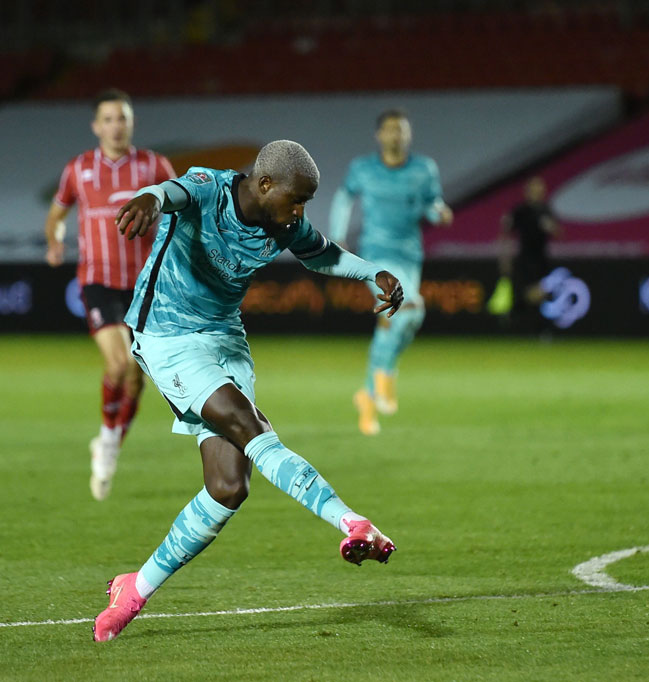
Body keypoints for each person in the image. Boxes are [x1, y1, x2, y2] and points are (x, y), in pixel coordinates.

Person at [92, 140, 404, 642]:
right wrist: (149, 198)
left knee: (228, 487)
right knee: (249, 425)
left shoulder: (282, 222)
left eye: (305, 202)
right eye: (296, 199)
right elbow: (171, 193)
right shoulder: (208, 187)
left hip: (225, 340)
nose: (299, 211)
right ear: (264, 185)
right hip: (168, 338)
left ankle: (134, 586)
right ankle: (353, 522)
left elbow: (321, 254)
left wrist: (373, 273)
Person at [43, 88, 176, 501]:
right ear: (96, 125)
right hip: (98, 280)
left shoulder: (154, 165)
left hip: (144, 285)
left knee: (137, 379)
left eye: (123, 118)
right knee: (118, 365)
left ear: (131, 123)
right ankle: (106, 435)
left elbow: (183, 208)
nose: (116, 126)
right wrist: (55, 239)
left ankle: (113, 441)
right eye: (109, 119)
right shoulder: (78, 169)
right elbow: (57, 212)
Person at [328, 109, 453, 436]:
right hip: (376, 254)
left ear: (408, 135)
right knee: (408, 305)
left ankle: (368, 395)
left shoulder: (424, 169)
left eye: (402, 130)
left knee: (406, 317)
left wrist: (438, 212)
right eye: (391, 130)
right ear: (379, 135)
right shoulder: (363, 169)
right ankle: (385, 378)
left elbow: (431, 202)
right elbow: (343, 197)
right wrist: (338, 236)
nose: (396, 135)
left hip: (410, 255)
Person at [497, 176, 562, 331]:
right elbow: (505, 231)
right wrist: (504, 258)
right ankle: (523, 320)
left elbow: (559, 232)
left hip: (541, 258)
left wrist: (551, 227)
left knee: (539, 295)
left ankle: (516, 316)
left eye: (539, 189)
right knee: (533, 294)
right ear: (527, 191)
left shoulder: (546, 210)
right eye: (533, 188)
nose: (536, 192)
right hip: (525, 259)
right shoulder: (521, 211)